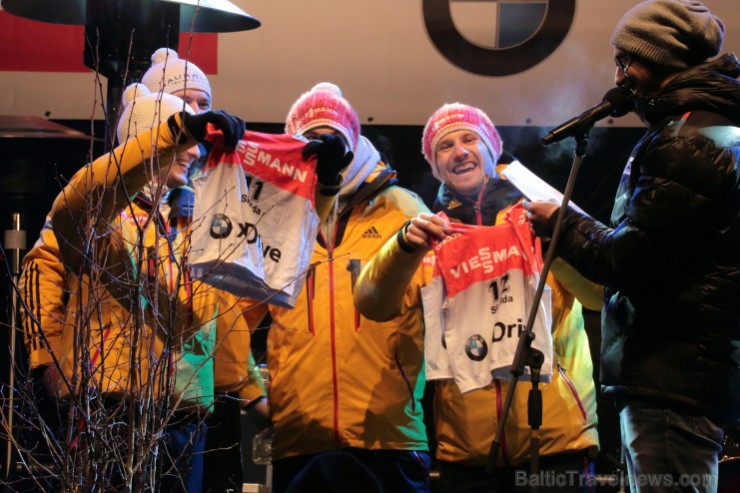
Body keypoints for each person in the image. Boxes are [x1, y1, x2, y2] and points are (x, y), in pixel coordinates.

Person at [523, 1, 740, 491]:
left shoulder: (687, 141)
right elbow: (657, 246)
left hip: (673, 373)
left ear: (657, 59)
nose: (618, 75)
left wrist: (563, 224)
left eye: (625, 61)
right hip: (682, 370)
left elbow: (631, 259)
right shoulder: (701, 129)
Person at [353, 103, 603, 492]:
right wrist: (401, 247)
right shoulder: (430, 235)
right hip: (467, 455)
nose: (460, 151)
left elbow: (600, 293)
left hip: (557, 443)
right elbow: (373, 304)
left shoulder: (542, 211)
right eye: (445, 146)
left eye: (470, 139)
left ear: (491, 150)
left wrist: (556, 237)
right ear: (436, 167)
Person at [247, 82, 433, 493]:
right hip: (300, 439)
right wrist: (253, 396)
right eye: (311, 142)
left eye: (334, 140)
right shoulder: (275, 217)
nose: (325, 151)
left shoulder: (402, 208)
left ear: (352, 140)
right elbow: (229, 320)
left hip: (390, 435)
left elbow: (444, 306)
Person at [141, 46, 271, 492]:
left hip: (202, 403)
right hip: (130, 399)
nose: (197, 115)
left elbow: (225, 313)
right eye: (183, 103)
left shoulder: (213, 199)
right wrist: (45, 363)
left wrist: (252, 391)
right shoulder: (114, 197)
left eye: (202, 103)